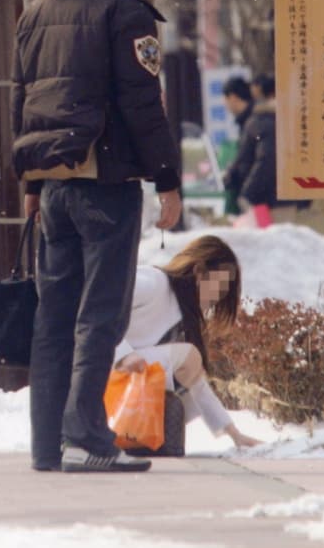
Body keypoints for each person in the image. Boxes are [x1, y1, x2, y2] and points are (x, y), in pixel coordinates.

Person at [12, 0, 182, 473]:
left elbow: (25, 102)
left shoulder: (36, 13)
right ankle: (86, 433)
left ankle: (47, 443)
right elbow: (142, 106)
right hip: (105, 183)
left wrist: (32, 181)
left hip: (54, 187)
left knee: (54, 315)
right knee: (101, 316)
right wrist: (168, 180)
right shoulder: (129, 12)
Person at [115, 236, 262, 449]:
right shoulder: (154, 283)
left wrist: (234, 434)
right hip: (92, 364)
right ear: (199, 271)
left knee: (190, 371)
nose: (217, 299)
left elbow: (197, 382)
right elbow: (96, 308)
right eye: (219, 288)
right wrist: (124, 355)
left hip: (113, 382)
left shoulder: (181, 317)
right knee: (191, 357)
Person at [225, 73, 306, 225]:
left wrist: (248, 193)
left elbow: (266, 159)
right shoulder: (282, 117)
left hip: (270, 200)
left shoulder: (263, 119)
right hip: (280, 197)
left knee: (273, 242)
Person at [219, 75, 253, 216]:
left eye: (225, 99)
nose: (225, 104)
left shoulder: (252, 121)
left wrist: (231, 175)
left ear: (233, 97)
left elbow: (248, 158)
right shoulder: (249, 119)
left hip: (252, 195)